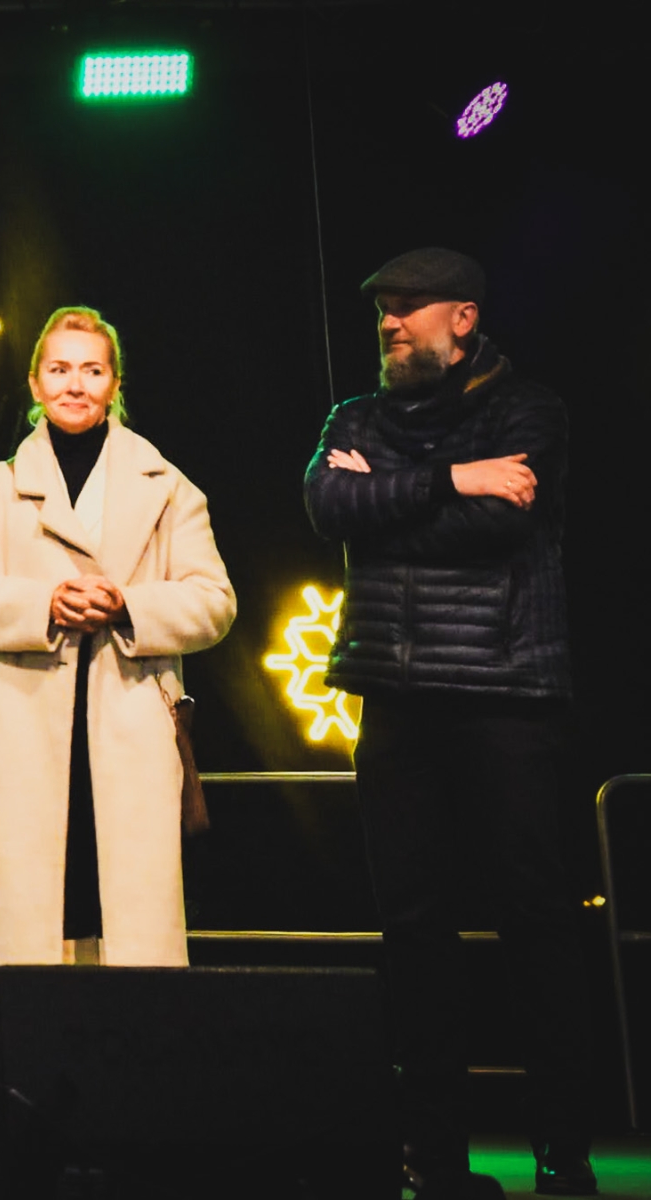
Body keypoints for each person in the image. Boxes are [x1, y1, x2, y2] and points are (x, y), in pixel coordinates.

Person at [304, 248, 596, 1199]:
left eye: (408, 307)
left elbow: (499, 527)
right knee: (412, 929)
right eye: (382, 311)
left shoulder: (529, 410)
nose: (389, 323)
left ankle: (563, 1153)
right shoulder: (354, 418)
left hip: (507, 694)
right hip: (398, 699)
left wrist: (399, 498)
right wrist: (454, 478)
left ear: (463, 318)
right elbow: (328, 504)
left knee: (534, 920)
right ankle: (433, 1158)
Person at [0, 306, 234, 1003]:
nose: (75, 384)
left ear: (115, 383)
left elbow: (214, 602)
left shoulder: (168, 488)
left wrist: (129, 605)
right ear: (35, 383)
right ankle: (30, 1050)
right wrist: (44, 603)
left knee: (123, 912)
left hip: (127, 728)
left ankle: (127, 1055)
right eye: (60, 369)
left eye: (92, 370)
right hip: (25, 729)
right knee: (31, 910)